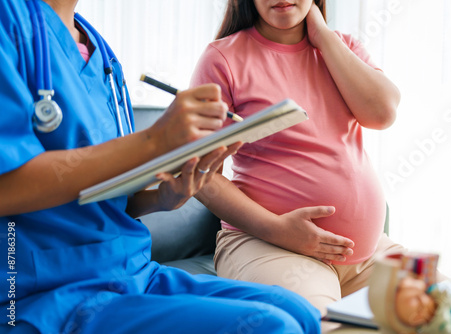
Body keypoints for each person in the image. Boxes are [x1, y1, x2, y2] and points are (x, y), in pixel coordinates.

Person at [0, 0, 322, 333]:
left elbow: (106, 194)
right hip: (47, 290)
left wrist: (159, 199)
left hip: (130, 270)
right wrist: (154, 141)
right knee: (270, 327)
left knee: (299, 311)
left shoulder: (99, 52)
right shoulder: (8, 21)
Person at [191, 0, 406, 315]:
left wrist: (322, 36)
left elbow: (382, 112)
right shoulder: (223, 58)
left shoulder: (342, 48)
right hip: (269, 247)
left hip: (368, 254)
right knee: (316, 324)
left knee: (441, 314)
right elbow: (202, 175)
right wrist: (277, 229)